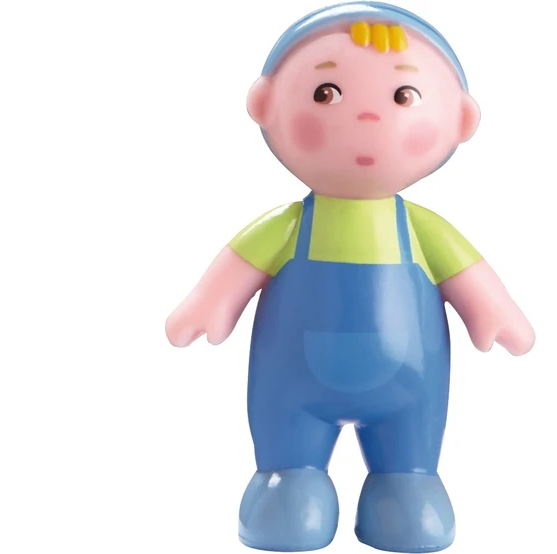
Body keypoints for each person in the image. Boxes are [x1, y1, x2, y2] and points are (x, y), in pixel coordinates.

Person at [166, 2, 535, 552]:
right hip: (290, 384)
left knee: (410, 469)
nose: (368, 117)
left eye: (403, 96)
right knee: (286, 464)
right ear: (265, 105)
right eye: (326, 93)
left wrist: (495, 312)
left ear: (461, 120)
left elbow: (472, 280)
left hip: (410, 388)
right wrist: (208, 304)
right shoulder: (286, 227)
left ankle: (407, 487)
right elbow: (233, 272)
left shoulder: (423, 230)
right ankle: (286, 486)